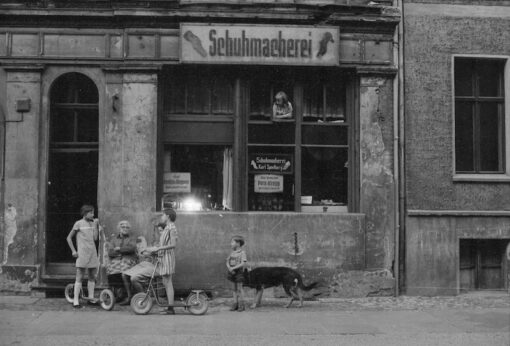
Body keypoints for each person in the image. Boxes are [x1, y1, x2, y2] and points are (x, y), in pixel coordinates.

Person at [66, 205, 101, 308]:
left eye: (93, 213)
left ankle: (90, 298)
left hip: (92, 252)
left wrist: (95, 226)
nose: (93, 215)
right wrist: (73, 251)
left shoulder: (92, 223)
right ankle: (76, 300)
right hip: (82, 253)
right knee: (80, 276)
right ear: (85, 213)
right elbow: (68, 238)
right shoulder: (78, 223)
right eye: (91, 213)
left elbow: (95, 239)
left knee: (92, 276)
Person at [152, 208, 178, 315]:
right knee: (165, 282)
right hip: (164, 256)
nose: (162, 217)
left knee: (168, 282)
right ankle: (169, 306)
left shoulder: (171, 228)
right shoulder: (167, 227)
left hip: (167, 257)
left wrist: (159, 248)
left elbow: (173, 245)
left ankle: (171, 308)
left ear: (167, 216)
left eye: (163, 215)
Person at [106, 220, 137, 305]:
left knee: (124, 271)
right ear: (119, 228)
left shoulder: (132, 238)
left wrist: (119, 249)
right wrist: (122, 251)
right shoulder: (114, 239)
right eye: (123, 227)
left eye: (127, 227)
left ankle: (129, 296)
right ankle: (119, 294)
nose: (125, 229)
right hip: (117, 261)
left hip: (129, 260)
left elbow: (131, 249)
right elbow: (110, 252)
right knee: (111, 271)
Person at [226, 235, 247, 312]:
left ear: (238, 243)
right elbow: (227, 261)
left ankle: (242, 305)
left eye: (232, 242)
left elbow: (243, 264)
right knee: (234, 289)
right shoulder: (232, 253)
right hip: (232, 272)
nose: (231, 244)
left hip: (239, 273)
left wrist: (233, 268)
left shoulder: (242, 253)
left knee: (240, 289)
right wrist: (229, 267)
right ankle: (235, 304)